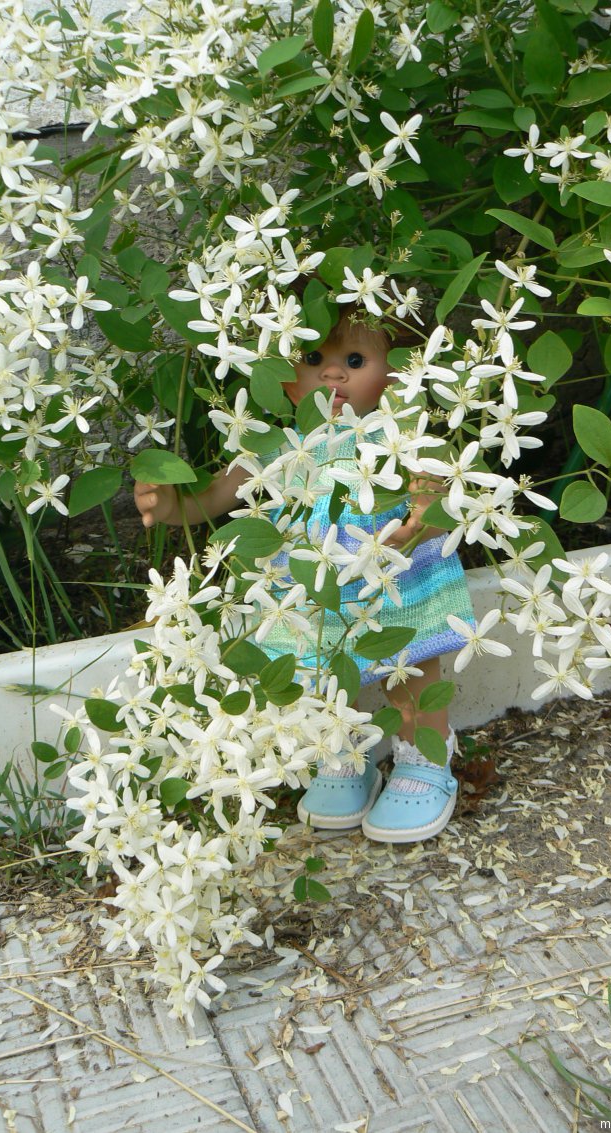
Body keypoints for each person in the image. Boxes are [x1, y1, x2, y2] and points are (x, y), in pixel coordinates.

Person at [134, 311, 477, 843]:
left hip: (394, 583)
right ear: (280, 377)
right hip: (308, 594)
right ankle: (342, 754)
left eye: (355, 361)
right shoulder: (274, 446)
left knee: (408, 673)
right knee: (318, 674)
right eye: (314, 359)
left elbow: (437, 501)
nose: (333, 374)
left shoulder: (402, 438)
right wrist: (169, 503)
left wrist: (420, 520)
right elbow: (212, 497)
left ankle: (426, 758)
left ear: (399, 373)